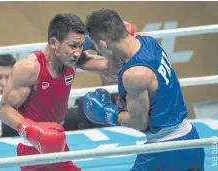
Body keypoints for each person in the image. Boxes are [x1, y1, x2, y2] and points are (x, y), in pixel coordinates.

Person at [77, 9, 205, 171]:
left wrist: (107, 112)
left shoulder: (134, 76)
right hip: (191, 140)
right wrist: (78, 59)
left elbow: (139, 122)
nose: (98, 52)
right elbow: (111, 68)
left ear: (104, 44)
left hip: (164, 150)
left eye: (97, 47)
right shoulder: (146, 40)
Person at [0, 13, 85, 171]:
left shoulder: (71, 60)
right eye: (73, 46)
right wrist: (33, 131)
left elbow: (108, 66)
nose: (77, 53)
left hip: (59, 144)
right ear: (53, 43)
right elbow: (4, 109)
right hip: (32, 149)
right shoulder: (30, 68)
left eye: (81, 46)